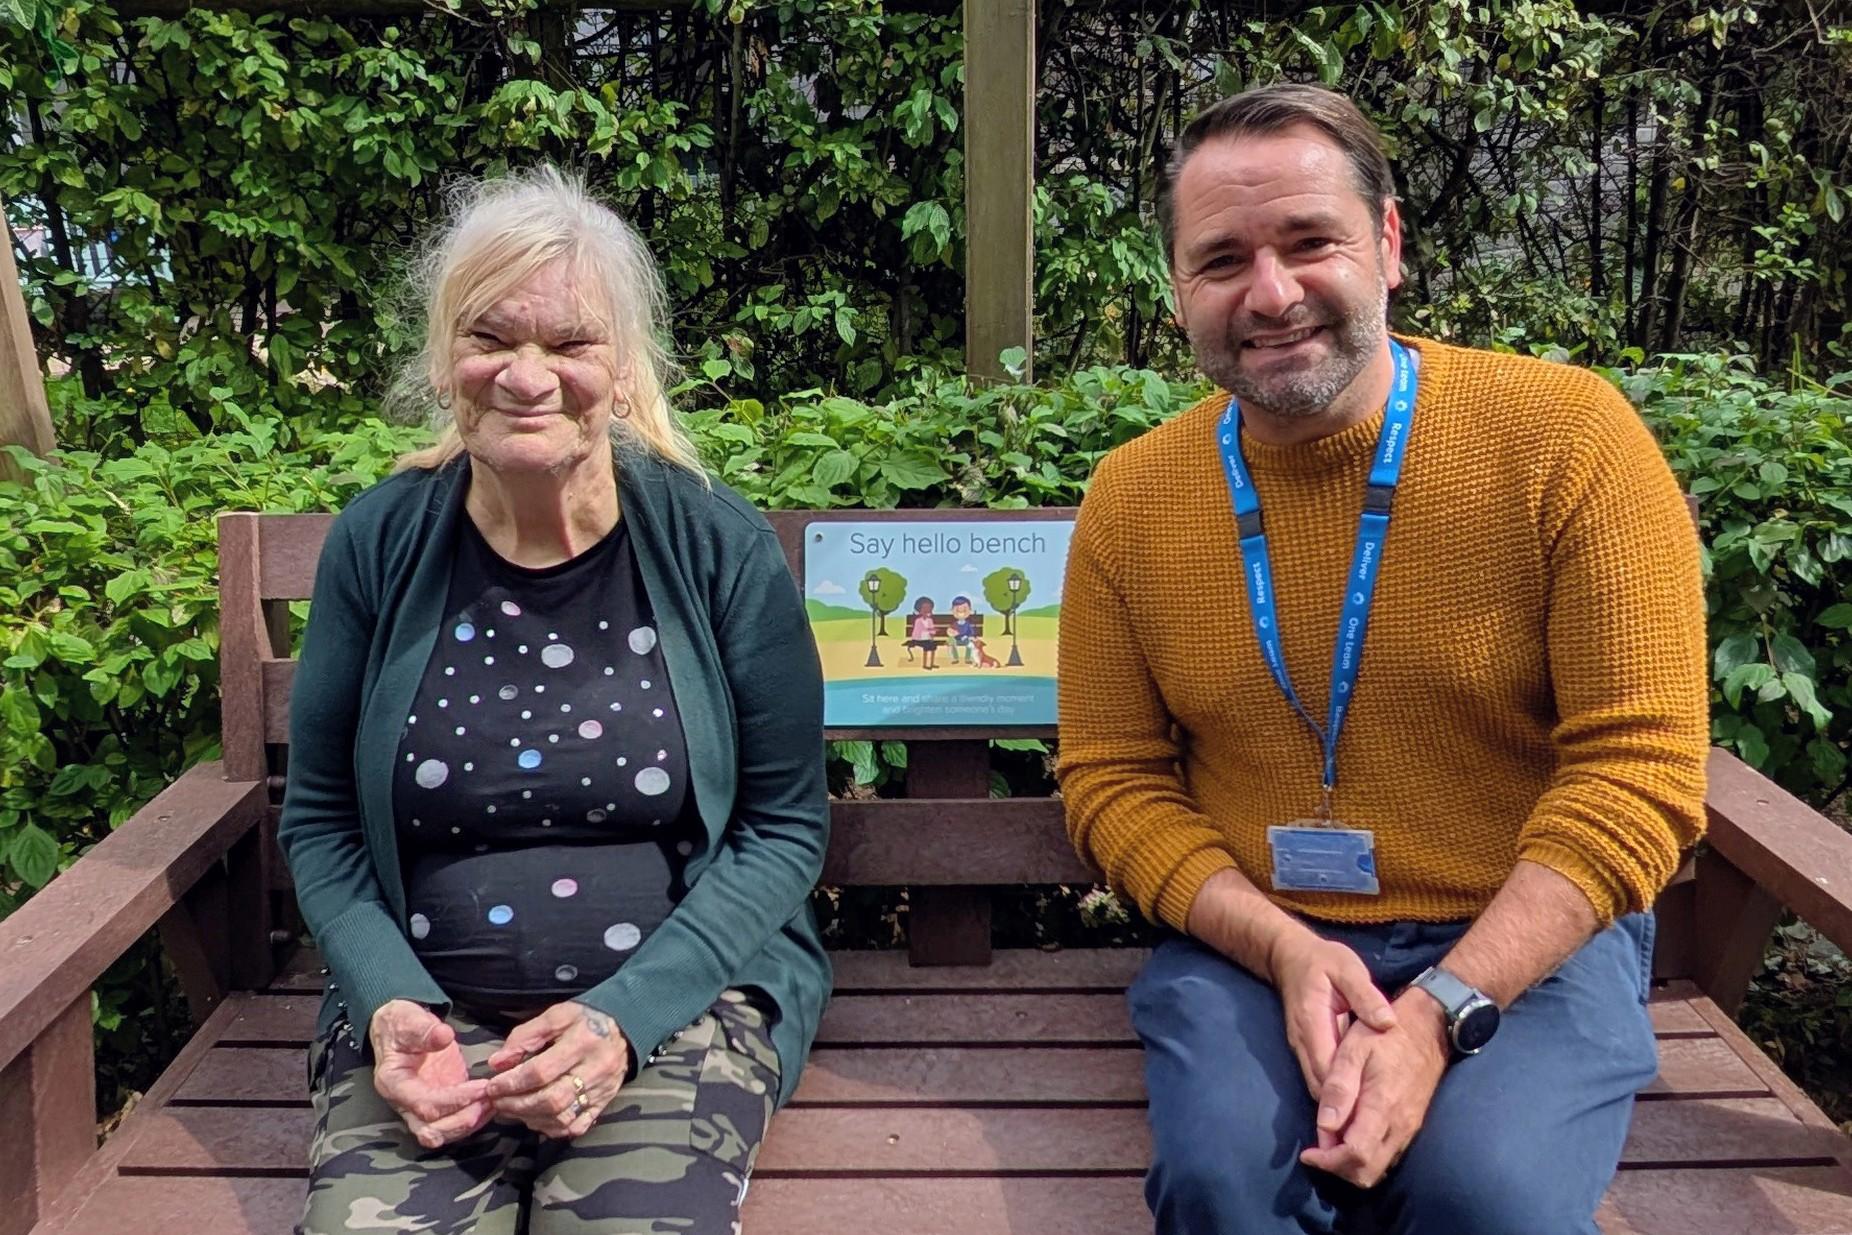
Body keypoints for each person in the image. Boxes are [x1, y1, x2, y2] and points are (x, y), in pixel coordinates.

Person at [1056, 83, 1707, 1234]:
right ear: (1175, 290)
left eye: (1310, 242)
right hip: (1255, 942)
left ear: (1389, 243)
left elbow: (1640, 771)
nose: (1270, 293)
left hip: (1524, 939)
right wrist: (1285, 949)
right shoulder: (1132, 496)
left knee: (1486, 1199)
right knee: (1226, 1190)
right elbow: (1112, 777)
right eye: (1220, 260)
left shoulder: (1570, 441)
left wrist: (1438, 1009)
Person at [280, 165, 830, 1235]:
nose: (528, 376)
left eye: (571, 344)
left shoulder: (715, 544)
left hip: (675, 1012)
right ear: (445, 357)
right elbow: (321, 820)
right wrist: (391, 1000)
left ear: (623, 369)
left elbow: (783, 827)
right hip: (426, 1024)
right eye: (491, 336)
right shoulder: (380, 542)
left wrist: (622, 1017)